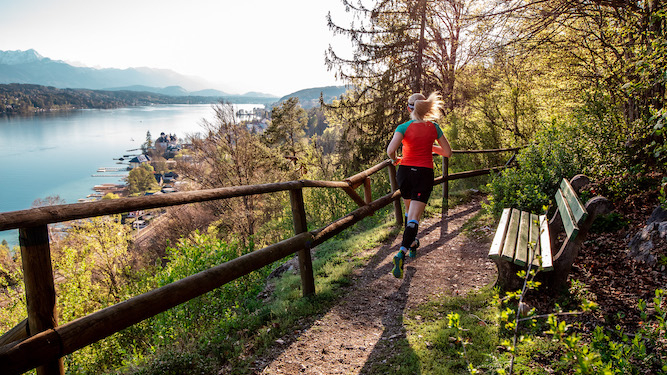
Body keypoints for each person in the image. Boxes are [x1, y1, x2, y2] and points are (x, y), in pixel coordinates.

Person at [386, 92, 452, 278]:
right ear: (426, 108)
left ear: (409, 108)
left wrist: (396, 158)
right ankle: (402, 252)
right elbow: (447, 152)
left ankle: (413, 242)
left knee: (409, 212)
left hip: (405, 173)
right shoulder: (434, 128)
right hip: (423, 174)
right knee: (414, 216)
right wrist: (429, 145)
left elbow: (391, 150)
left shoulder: (403, 127)